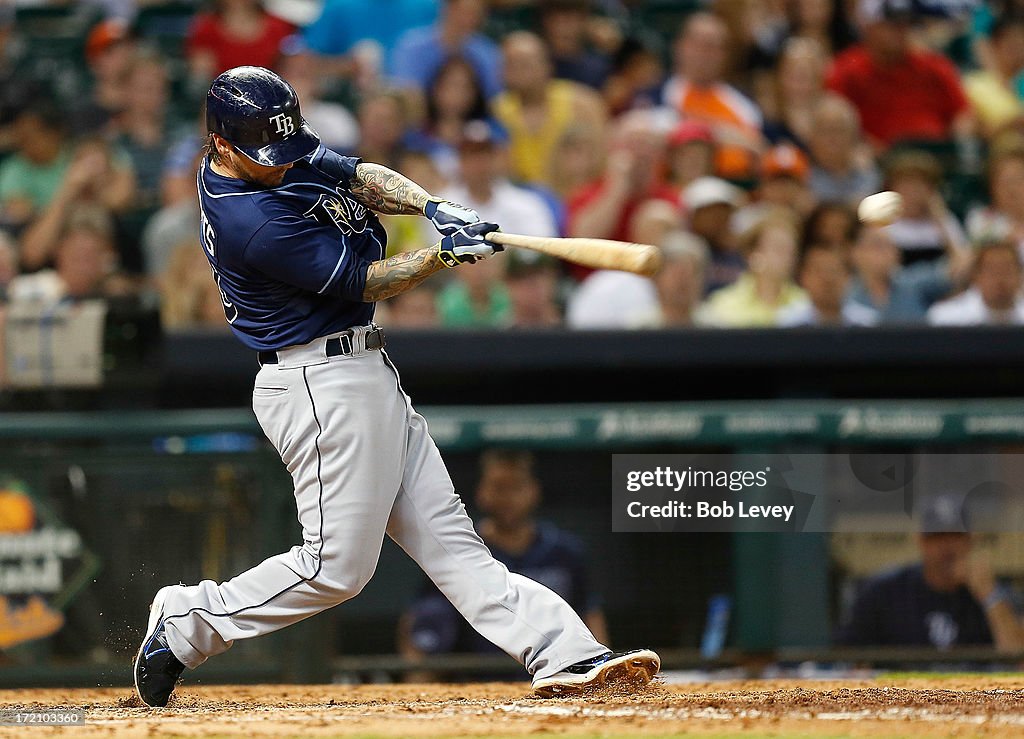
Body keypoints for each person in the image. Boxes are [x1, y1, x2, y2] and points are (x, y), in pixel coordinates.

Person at [132, 66, 659, 708]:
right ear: (219, 145)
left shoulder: (266, 147)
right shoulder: (254, 222)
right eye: (262, 155)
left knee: (457, 549)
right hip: (317, 384)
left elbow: (352, 173)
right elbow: (367, 281)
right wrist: (443, 256)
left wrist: (432, 205)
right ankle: (189, 623)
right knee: (336, 570)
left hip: (362, 372)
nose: (281, 162)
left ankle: (566, 653)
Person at [399, 449, 607, 671]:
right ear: (482, 491)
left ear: (533, 491)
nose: (507, 498)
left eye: (516, 487)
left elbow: (590, 614)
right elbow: (420, 623)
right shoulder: (460, 550)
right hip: (477, 678)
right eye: (498, 487)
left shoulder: (564, 551)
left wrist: (598, 666)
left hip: (554, 670)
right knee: (434, 611)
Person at [836, 495, 1024, 651]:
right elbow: (848, 657)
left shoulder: (997, 596)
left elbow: (1017, 660)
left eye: (955, 536)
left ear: (971, 540)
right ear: (921, 541)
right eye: (937, 537)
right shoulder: (884, 591)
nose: (947, 548)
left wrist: (990, 596)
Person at [826, 0, 972, 150]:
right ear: (868, 26)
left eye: (905, 24)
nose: (900, 31)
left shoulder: (934, 67)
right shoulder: (848, 70)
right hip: (877, 160)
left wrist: (959, 143)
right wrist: (866, 146)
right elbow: (832, 118)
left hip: (934, 159)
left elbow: (962, 114)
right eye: (892, 24)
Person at [493, 31, 606, 188]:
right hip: (520, 204)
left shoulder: (582, 103)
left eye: (524, 63)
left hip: (575, 197)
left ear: (547, 65)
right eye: (509, 64)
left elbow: (600, 159)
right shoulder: (496, 111)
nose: (516, 71)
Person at [661, 12, 766, 179]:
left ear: (724, 55)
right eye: (697, 44)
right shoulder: (657, 95)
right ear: (679, 46)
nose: (703, 54)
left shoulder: (743, 107)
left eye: (712, 47)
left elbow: (757, 150)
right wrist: (721, 132)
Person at [389, 0, 503, 99]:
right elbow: (405, 93)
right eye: (463, 11)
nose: (468, 19)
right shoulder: (410, 46)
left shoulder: (487, 53)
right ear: (446, 8)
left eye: (475, 13)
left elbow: (493, 97)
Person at [779, 242, 878, 326]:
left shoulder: (867, 324)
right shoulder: (787, 323)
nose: (828, 279)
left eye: (834, 270)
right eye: (819, 271)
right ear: (803, 276)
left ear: (848, 277)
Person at [927, 239, 1024, 325]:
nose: (1000, 278)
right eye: (992, 271)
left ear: (1020, 276)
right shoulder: (945, 318)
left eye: (1007, 271)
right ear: (976, 276)